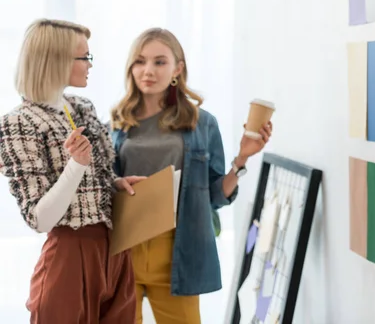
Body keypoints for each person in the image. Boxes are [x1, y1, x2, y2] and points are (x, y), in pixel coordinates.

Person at [110, 28, 272, 324]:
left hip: (178, 252)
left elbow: (214, 196)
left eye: (160, 62)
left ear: (177, 69)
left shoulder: (202, 124)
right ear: (131, 67)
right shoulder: (118, 122)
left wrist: (242, 158)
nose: (148, 70)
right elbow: (105, 186)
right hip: (123, 251)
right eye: (140, 61)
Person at [0, 19, 143, 323]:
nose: (90, 64)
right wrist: (75, 166)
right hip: (70, 253)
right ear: (57, 60)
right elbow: (39, 219)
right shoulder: (18, 123)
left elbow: (95, 179)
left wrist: (114, 183)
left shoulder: (82, 107)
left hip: (115, 248)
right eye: (85, 57)